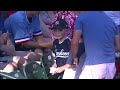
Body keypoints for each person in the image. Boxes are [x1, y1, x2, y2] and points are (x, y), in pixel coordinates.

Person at [72, 11, 120, 79]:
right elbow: (118, 47)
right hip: (110, 65)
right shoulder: (112, 21)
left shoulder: (81, 18)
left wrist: (75, 57)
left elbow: (74, 42)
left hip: (94, 65)